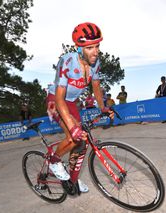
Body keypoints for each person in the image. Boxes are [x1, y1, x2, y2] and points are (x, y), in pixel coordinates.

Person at [46, 22, 114, 193]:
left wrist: (103, 107)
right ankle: (53, 161)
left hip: (72, 102)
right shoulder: (67, 61)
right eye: (90, 47)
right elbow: (60, 99)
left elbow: (96, 87)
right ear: (79, 48)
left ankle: (72, 180)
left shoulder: (95, 63)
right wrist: (71, 126)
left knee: (82, 142)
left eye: (97, 46)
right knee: (73, 136)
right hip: (56, 100)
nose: (96, 51)